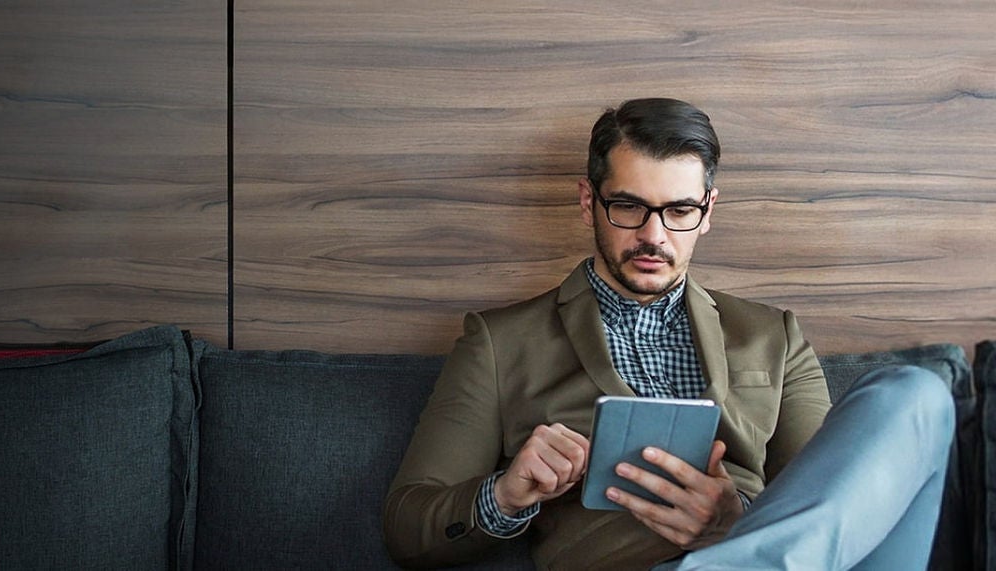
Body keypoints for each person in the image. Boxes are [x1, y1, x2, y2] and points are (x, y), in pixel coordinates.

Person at [381, 98, 954, 570]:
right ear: (589, 202)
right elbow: (407, 528)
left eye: (679, 211)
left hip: (772, 552)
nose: (654, 236)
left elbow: (834, 497)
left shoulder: (773, 336)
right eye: (629, 207)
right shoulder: (499, 341)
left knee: (916, 392)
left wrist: (737, 521)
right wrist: (506, 494)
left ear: (707, 211)